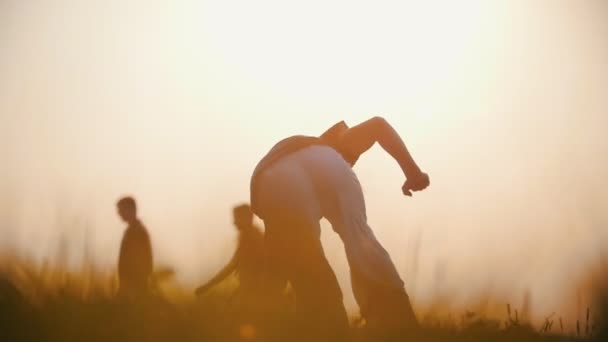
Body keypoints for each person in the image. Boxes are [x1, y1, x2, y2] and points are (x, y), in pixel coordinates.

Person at [250, 116, 429, 338]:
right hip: (326, 162)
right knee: (362, 241)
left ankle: (328, 330)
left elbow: (275, 264)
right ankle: (400, 325)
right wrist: (413, 173)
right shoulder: (331, 145)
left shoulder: (297, 150)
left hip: (268, 183)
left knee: (308, 269)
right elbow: (378, 125)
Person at [116, 196, 153, 299]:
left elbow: (141, 261)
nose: (119, 213)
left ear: (131, 210)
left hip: (133, 287)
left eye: (121, 210)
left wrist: (130, 285)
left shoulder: (136, 232)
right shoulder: (133, 230)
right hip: (132, 285)